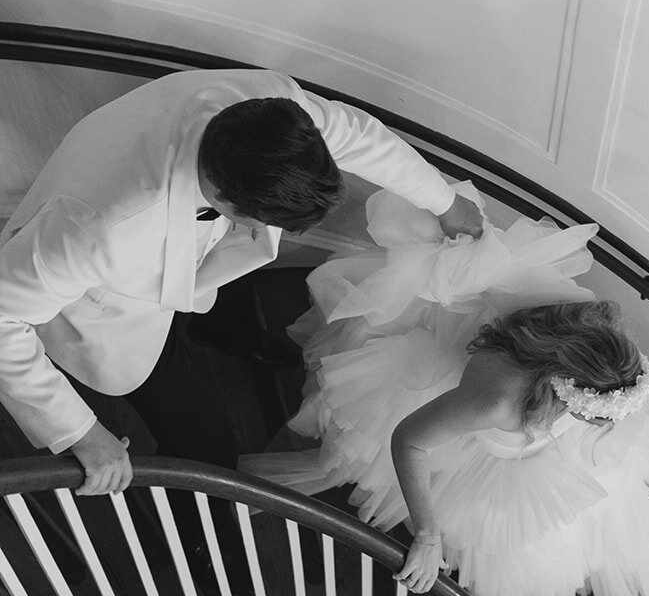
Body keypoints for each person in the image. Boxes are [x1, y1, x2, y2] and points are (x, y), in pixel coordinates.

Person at [0, 68, 481, 496]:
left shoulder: (274, 110)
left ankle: (220, 329)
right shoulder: (98, 228)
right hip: (114, 307)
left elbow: (362, 137)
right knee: (206, 442)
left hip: (194, 261)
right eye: (261, 223)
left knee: (218, 297)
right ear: (229, 202)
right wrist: (80, 432)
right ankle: (200, 541)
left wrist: (444, 202)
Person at [247, 184, 649, 596]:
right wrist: (427, 535)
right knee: (506, 536)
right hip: (470, 432)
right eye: (589, 415)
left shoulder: (603, 330)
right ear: (563, 385)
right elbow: (409, 441)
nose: (594, 426)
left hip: (529, 416)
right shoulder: (497, 399)